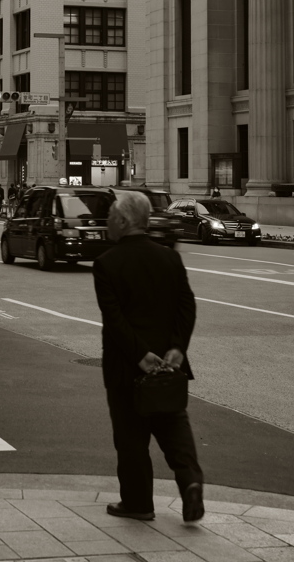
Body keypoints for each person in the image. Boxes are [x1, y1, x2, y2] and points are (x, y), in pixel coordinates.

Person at [92, 190, 204, 524]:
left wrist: (140, 355)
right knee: (173, 426)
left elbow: (114, 320)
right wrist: (177, 348)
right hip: (170, 367)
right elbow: (187, 306)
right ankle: (191, 482)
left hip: (127, 367)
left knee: (131, 439)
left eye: (112, 215)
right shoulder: (170, 258)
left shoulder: (107, 263)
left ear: (124, 222)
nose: (108, 220)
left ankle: (139, 503)